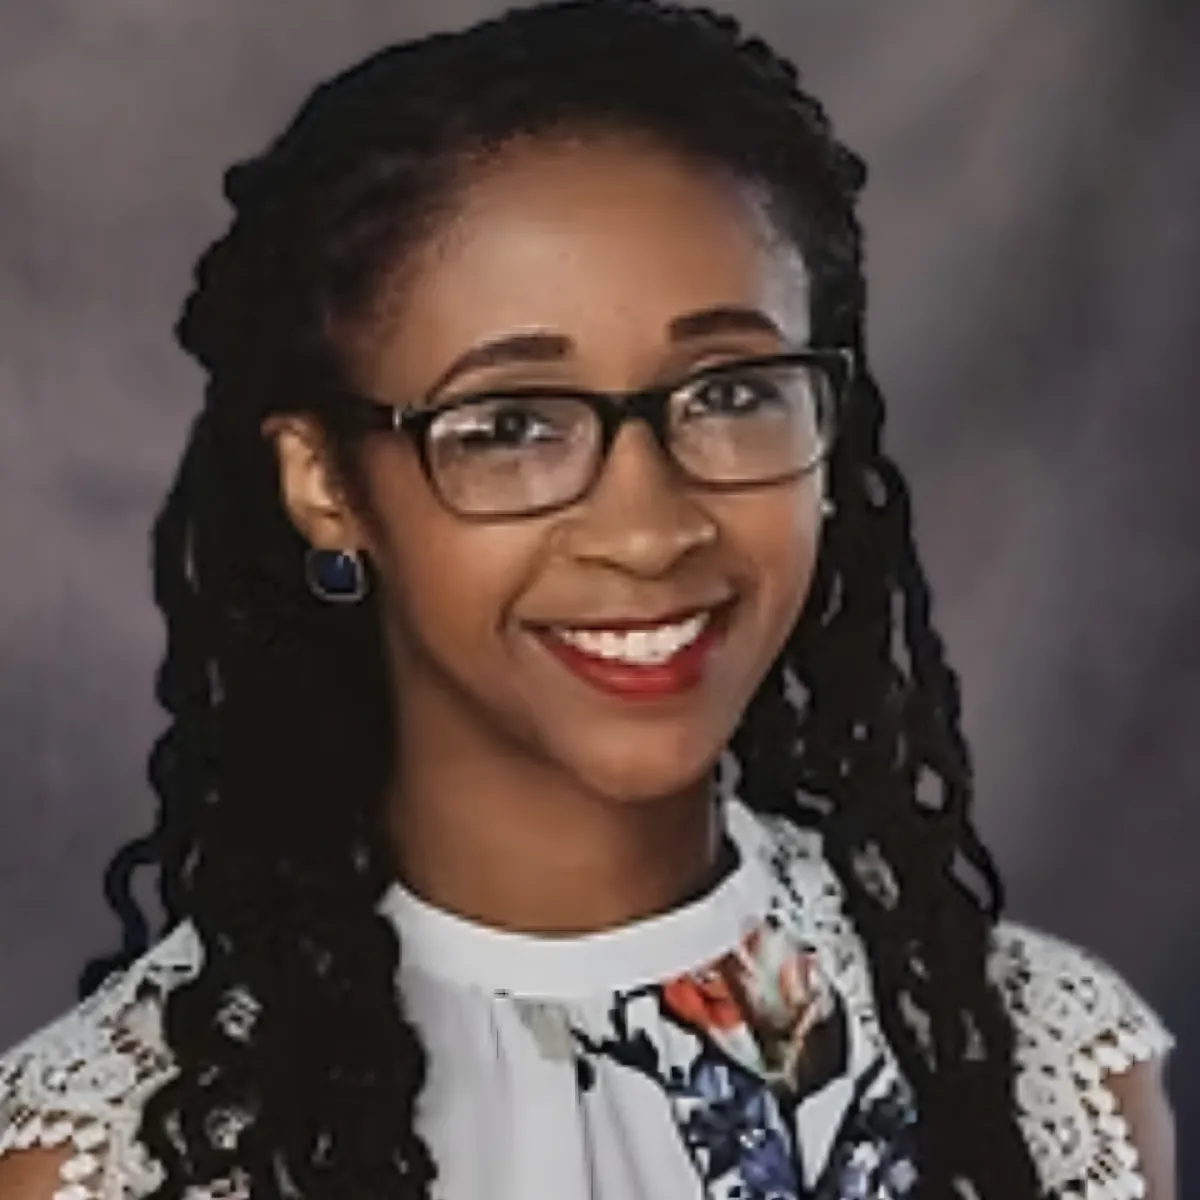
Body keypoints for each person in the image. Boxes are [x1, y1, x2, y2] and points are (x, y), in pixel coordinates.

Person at [0, 2, 1177, 1198]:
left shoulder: (1038, 1077)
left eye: (731, 393)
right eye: (511, 423)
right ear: (325, 484)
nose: (649, 529)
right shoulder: (123, 1161)